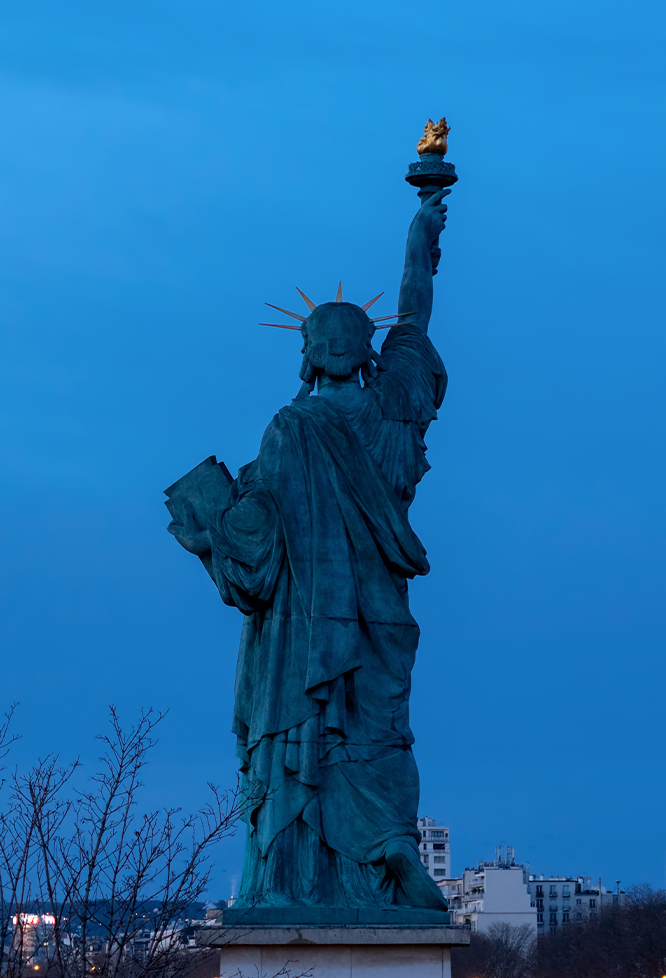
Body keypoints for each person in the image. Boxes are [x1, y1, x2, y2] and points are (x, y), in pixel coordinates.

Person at [168, 188, 451, 914]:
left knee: (306, 739)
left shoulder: (290, 432)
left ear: (309, 356)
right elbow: (415, 312)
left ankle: (293, 878)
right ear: (365, 355)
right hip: (380, 620)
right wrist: (423, 227)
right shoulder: (396, 410)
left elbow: (254, 562)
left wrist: (210, 520)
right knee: (382, 733)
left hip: (303, 637)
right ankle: (392, 842)